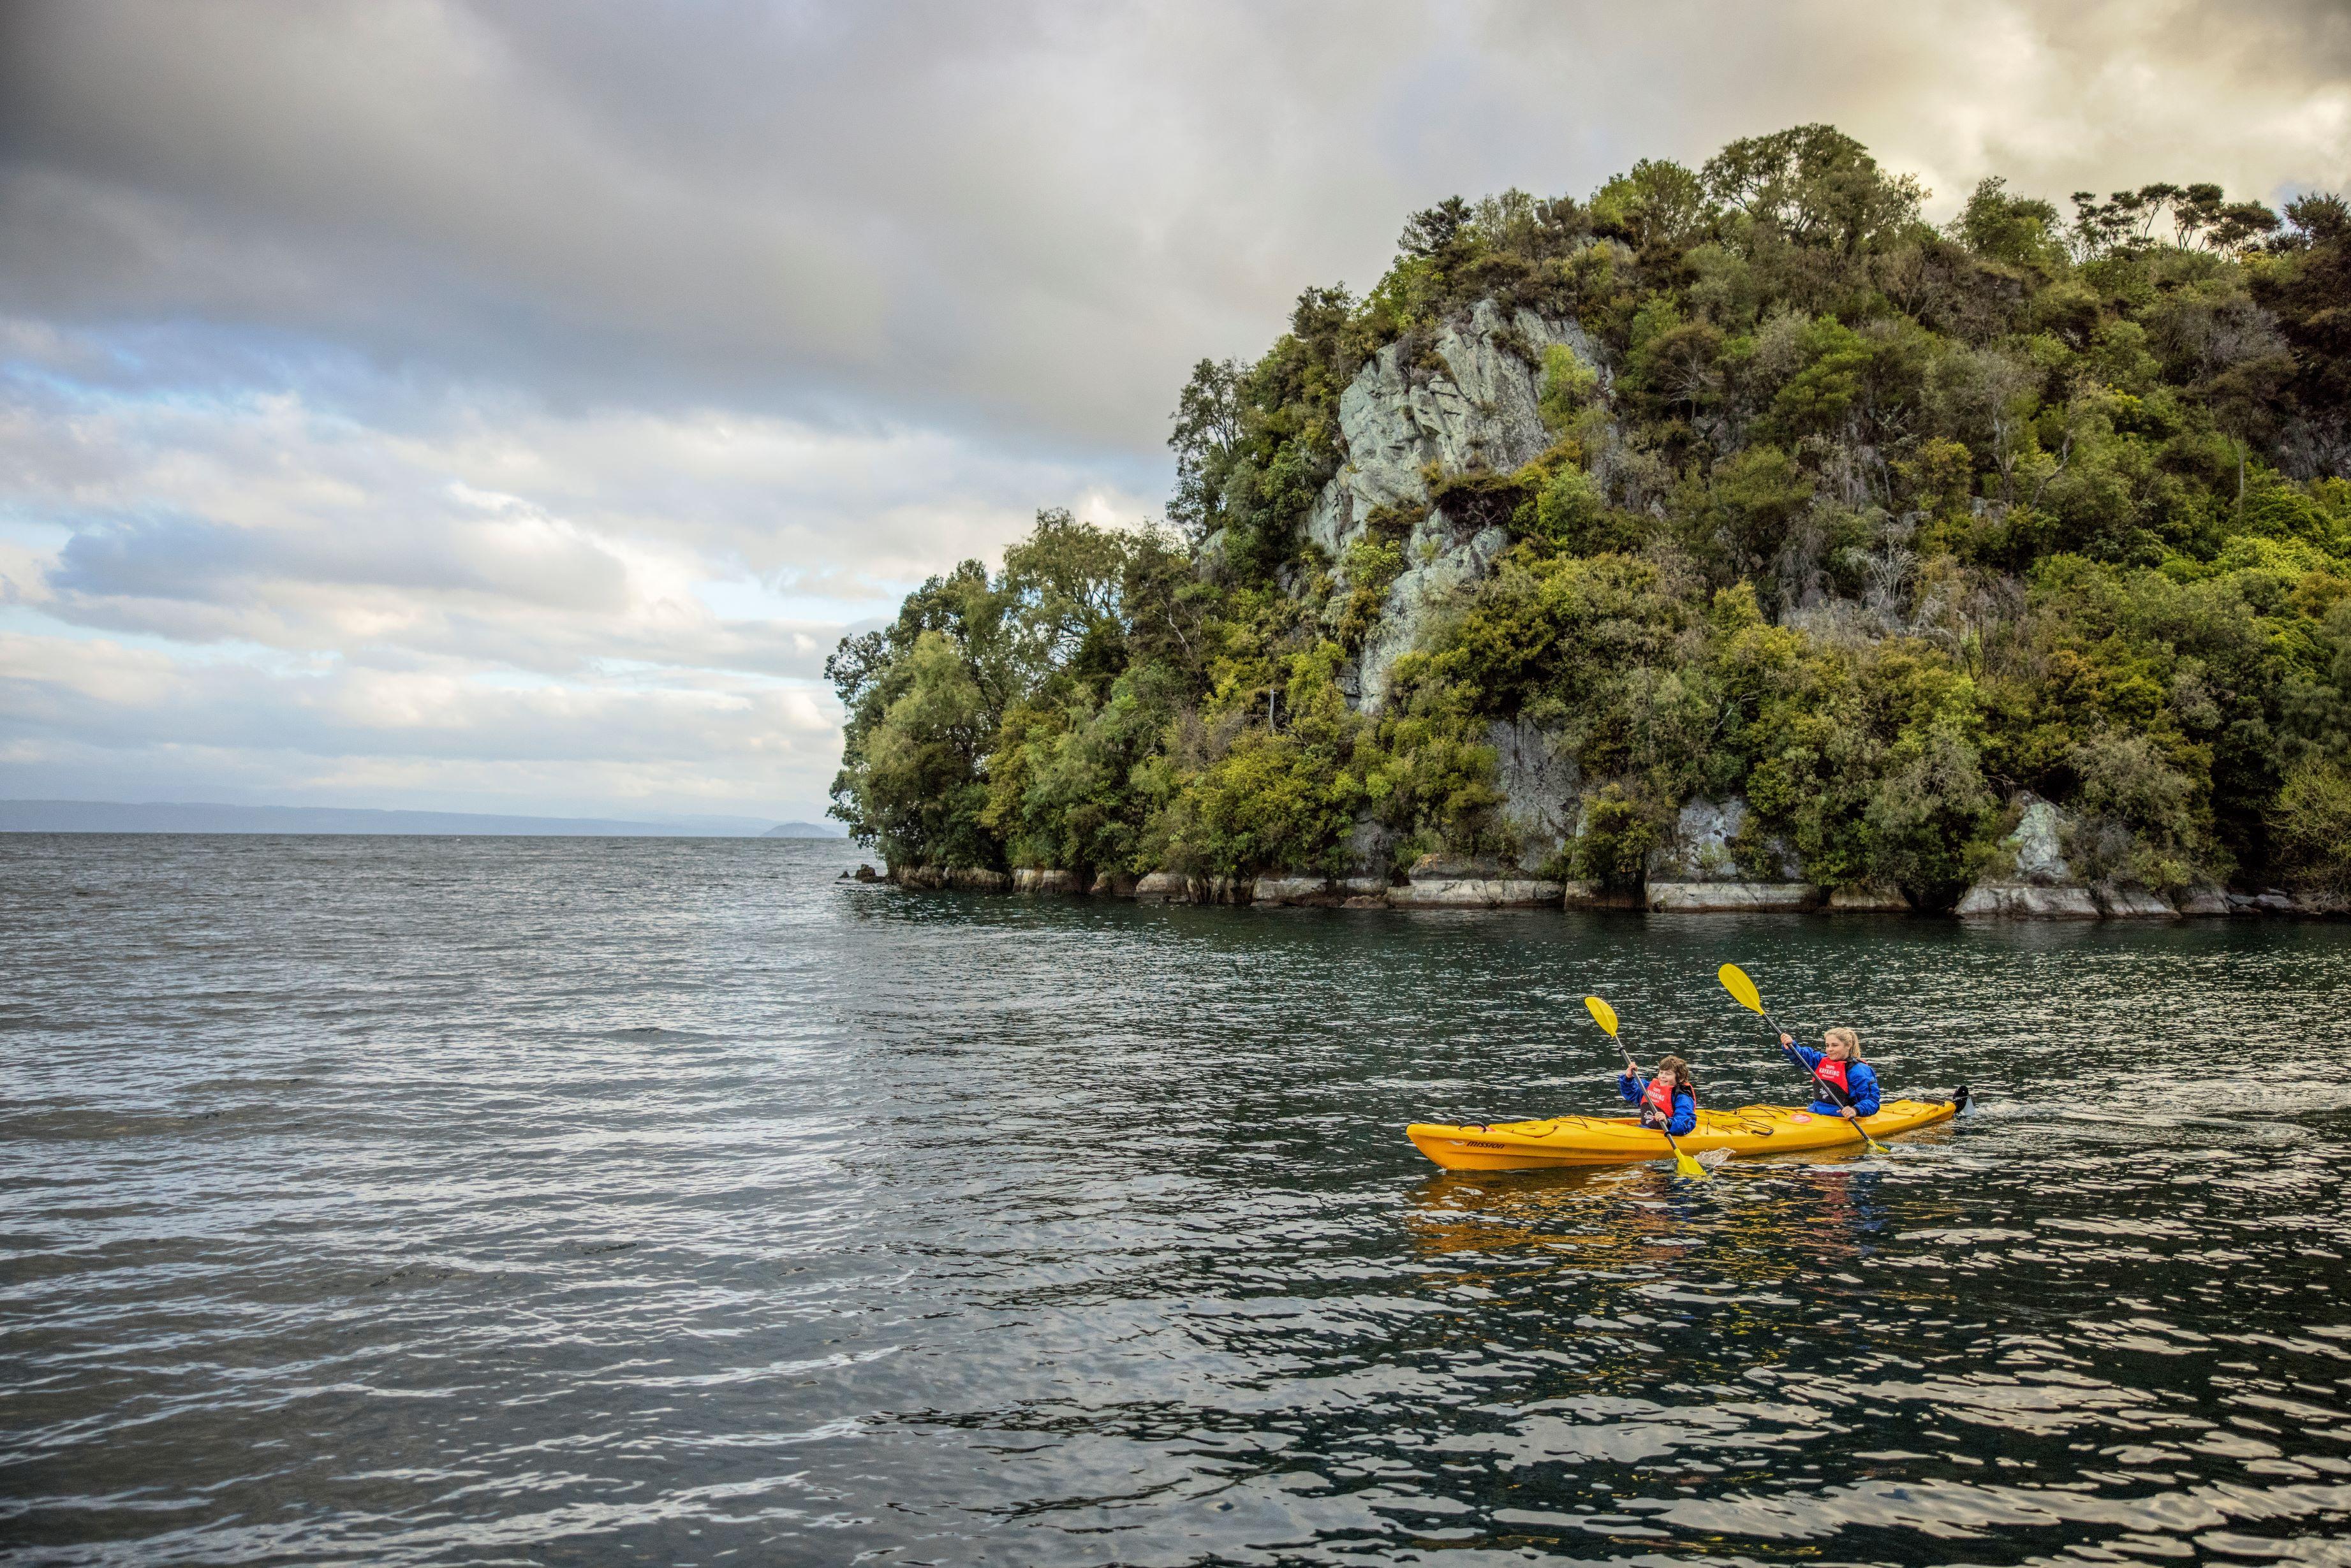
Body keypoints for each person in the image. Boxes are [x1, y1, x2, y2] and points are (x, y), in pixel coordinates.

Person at [1779, 1027, 1880, 1122]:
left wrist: (1855, 1110)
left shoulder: (1859, 1070)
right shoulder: (1820, 1060)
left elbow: (1873, 1102)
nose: (1829, 1049)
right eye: (1827, 1045)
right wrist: (1791, 1046)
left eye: (1835, 1045)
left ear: (1848, 1046)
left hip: (1841, 1118)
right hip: (1816, 1112)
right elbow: (1803, 1055)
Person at [1619, 1054, 1698, 1137]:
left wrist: (1667, 1122)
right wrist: (1628, 1077)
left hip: (1665, 1135)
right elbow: (1630, 1093)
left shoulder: (1682, 1097)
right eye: (1661, 1072)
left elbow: (1686, 1122)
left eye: (1668, 1074)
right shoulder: (1649, 1087)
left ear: (1680, 1078)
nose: (1662, 1076)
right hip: (1644, 1129)